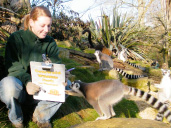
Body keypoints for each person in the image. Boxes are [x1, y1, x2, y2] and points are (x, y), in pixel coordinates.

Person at [0, 6, 71, 128]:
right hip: (21, 88)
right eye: (42, 25)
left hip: (42, 90)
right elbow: (13, 68)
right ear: (32, 22)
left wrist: (61, 75)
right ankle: (17, 119)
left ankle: (40, 115)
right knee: (8, 85)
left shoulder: (50, 42)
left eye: (49, 26)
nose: (46, 30)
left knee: (68, 85)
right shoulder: (16, 38)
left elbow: (56, 64)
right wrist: (27, 82)